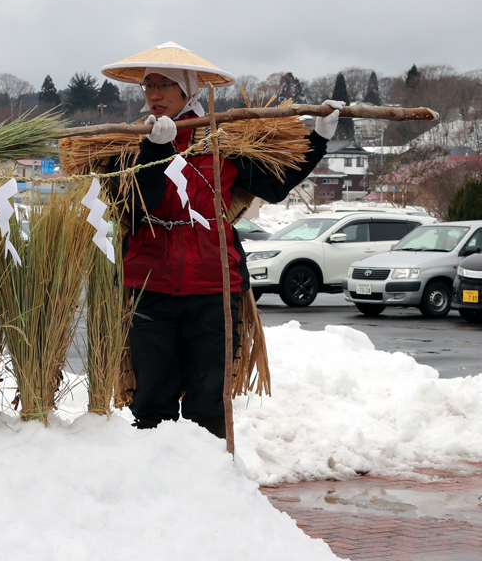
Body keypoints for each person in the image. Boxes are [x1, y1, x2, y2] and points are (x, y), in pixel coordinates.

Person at [106, 59, 342, 439]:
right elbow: (137, 208)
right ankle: (148, 484)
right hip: (149, 287)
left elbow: (275, 186)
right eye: (148, 86)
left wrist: (318, 139)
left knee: (209, 399)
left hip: (213, 287)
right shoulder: (127, 142)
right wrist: (152, 150)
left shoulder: (222, 141)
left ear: (188, 90)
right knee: (151, 397)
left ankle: (211, 483)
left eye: (164, 85)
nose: (153, 94)